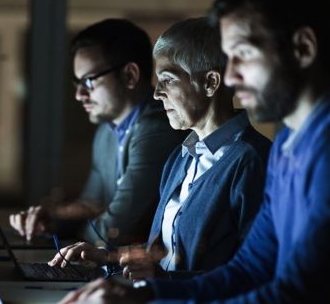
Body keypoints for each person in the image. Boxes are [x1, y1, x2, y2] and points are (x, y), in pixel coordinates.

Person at [60, 0, 330, 303]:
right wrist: (144, 295)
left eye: (242, 55)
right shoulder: (289, 144)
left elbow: (297, 294)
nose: (229, 77)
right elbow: (249, 270)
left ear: (303, 48)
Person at [49, 17, 271, 281]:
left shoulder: (252, 161)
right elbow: (161, 253)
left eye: (168, 80)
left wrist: (165, 282)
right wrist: (106, 256)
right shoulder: (180, 158)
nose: (157, 94)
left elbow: (259, 275)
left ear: (211, 83)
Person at [10, 19, 184, 246]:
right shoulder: (106, 130)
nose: (79, 94)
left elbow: (113, 231)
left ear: (130, 76)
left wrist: (73, 227)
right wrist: (53, 221)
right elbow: (91, 203)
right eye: (77, 83)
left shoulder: (157, 130)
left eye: (89, 81)